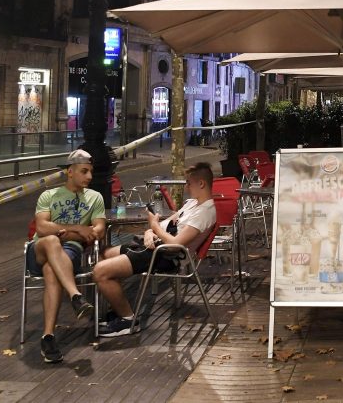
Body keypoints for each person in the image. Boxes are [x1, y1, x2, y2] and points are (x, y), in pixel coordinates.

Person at [93, 162, 217, 337]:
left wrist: (154, 228)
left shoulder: (205, 212)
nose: (187, 187)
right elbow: (163, 224)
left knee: (100, 271)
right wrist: (150, 231)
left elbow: (176, 245)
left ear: (201, 184)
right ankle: (118, 308)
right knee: (103, 253)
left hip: (165, 256)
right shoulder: (192, 204)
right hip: (154, 248)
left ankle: (128, 320)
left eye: (189, 183)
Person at [28, 149, 105, 364]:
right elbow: (42, 228)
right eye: (84, 171)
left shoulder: (95, 197)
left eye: (90, 171)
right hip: (40, 250)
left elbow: (98, 230)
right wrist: (78, 229)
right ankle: (75, 295)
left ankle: (48, 336)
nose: (89, 176)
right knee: (51, 241)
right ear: (70, 172)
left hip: (68, 253)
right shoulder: (49, 195)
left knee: (52, 269)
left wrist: (70, 232)